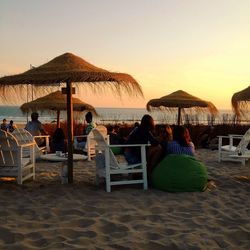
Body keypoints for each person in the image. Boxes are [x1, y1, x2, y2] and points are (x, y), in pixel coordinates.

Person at [124, 114, 162, 181]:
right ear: (150, 123)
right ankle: (149, 171)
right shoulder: (145, 130)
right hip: (133, 156)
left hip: (128, 153)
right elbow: (154, 142)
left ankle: (147, 170)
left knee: (152, 149)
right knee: (158, 148)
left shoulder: (137, 129)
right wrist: (161, 138)